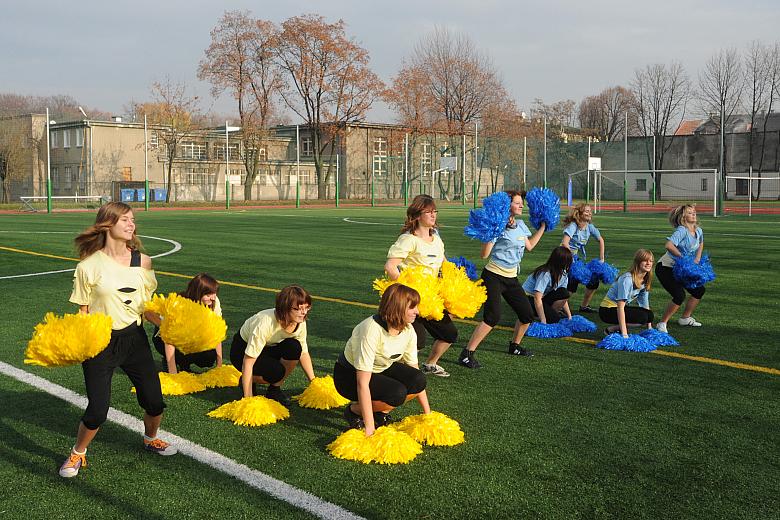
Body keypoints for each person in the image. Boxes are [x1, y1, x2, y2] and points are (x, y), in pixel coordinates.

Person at [59, 202, 176, 479]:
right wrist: (79, 342)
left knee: (155, 402)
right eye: (125, 219)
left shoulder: (142, 261)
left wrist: (170, 326)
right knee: (98, 410)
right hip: (100, 341)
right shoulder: (89, 266)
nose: (131, 224)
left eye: (132, 220)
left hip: (134, 339)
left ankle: (150, 439)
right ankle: (78, 452)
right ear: (108, 223)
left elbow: (147, 307)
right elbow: (83, 311)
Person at [461, 190, 546, 367]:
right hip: (493, 276)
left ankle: (515, 346)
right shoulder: (497, 226)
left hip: (511, 278)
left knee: (527, 315)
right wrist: (492, 232)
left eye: (521, 202)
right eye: (517, 203)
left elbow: (529, 246)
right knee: (492, 317)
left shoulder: (521, 225)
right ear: (507, 206)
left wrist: (543, 227)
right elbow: (484, 255)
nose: (521, 205)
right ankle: (467, 353)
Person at [333, 284, 430, 436]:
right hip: (349, 376)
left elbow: (415, 371)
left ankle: (380, 413)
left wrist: (428, 415)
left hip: (381, 368)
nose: (417, 312)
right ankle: (353, 411)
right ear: (397, 307)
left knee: (418, 380)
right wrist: (370, 430)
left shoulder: (408, 329)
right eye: (412, 307)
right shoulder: (370, 329)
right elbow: (362, 383)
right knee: (397, 393)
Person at [384, 194, 457, 378]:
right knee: (416, 341)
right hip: (411, 300)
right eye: (429, 212)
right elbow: (390, 266)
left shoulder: (436, 238)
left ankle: (431, 363)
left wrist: (454, 282)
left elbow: (444, 264)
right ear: (417, 215)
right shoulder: (408, 239)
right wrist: (405, 291)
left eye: (435, 211)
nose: (434, 215)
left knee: (449, 334)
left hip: (432, 299)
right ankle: (394, 370)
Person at [230, 285, 316, 407]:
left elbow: (303, 352)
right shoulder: (264, 322)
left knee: (294, 347)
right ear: (285, 308)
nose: (304, 312)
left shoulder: (300, 322)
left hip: (267, 348)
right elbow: (248, 361)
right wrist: (247, 398)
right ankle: (247, 380)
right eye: (298, 309)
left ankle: (274, 390)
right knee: (276, 372)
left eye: (307, 307)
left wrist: (314, 383)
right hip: (241, 351)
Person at [152, 273, 223, 374]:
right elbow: (168, 339)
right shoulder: (178, 305)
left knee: (209, 356)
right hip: (164, 339)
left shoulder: (214, 303)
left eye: (214, 293)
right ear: (197, 293)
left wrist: (219, 367)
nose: (213, 298)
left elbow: (217, 333)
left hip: (191, 338)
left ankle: (185, 363)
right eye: (208, 295)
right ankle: (175, 362)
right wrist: (173, 372)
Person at [654, 205, 705, 333]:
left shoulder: (698, 231)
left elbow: (701, 243)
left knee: (699, 290)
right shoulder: (681, 231)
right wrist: (682, 258)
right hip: (666, 268)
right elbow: (669, 245)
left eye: (694, 212)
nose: (693, 214)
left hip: (682, 269)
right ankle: (662, 323)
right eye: (689, 213)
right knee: (679, 295)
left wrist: (697, 259)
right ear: (683, 217)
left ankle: (685, 318)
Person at [599, 249, 655, 337]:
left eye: (651, 261)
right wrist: (625, 335)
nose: (648, 263)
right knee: (642, 317)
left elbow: (645, 305)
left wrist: (650, 329)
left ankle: (618, 329)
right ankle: (611, 330)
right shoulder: (627, 279)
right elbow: (620, 307)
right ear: (638, 262)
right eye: (645, 260)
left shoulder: (645, 280)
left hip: (619, 308)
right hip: (607, 310)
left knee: (649, 315)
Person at [561, 203, 605, 312]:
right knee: (572, 283)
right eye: (586, 211)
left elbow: (601, 240)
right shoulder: (573, 226)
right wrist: (572, 259)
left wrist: (602, 259)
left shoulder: (590, 227)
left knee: (593, 281)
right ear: (579, 214)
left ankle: (584, 306)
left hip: (577, 258)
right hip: (565, 256)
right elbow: (565, 243)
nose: (589, 213)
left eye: (590, 211)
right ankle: (559, 306)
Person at [522, 246, 573, 324]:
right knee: (553, 319)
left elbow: (564, 296)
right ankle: (538, 315)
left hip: (543, 297)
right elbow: (537, 297)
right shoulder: (545, 273)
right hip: (528, 298)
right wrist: (543, 320)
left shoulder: (564, 274)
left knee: (564, 292)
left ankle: (549, 313)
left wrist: (570, 316)